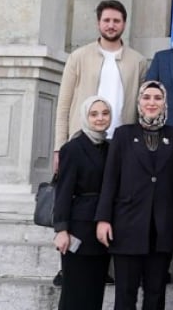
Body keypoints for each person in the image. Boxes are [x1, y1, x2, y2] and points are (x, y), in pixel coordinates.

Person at [95, 80, 173, 310]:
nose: (152, 102)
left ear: (165, 103)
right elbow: (110, 179)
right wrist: (103, 218)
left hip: (163, 227)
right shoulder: (123, 134)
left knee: (155, 294)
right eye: (147, 97)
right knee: (125, 294)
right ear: (139, 102)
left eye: (157, 98)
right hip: (127, 225)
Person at [55, 0, 145, 168]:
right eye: (106, 20)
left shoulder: (138, 61)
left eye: (116, 21)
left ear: (124, 24)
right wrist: (59, 147)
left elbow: (141, 108)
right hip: (83, 141)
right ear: (98, 23)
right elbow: (64, 106)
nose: (111, 25)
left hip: (122, 143)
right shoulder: (78, 57)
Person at [53, 96, 113, 310]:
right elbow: (63, 191)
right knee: (75, 293)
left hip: (102, 231)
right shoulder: (72, 148)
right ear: (85, 117)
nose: (100, 118)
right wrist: (61, 229)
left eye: (105, 113)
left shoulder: (110, 147)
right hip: (78, 231)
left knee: (94, 292)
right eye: (94, 114)